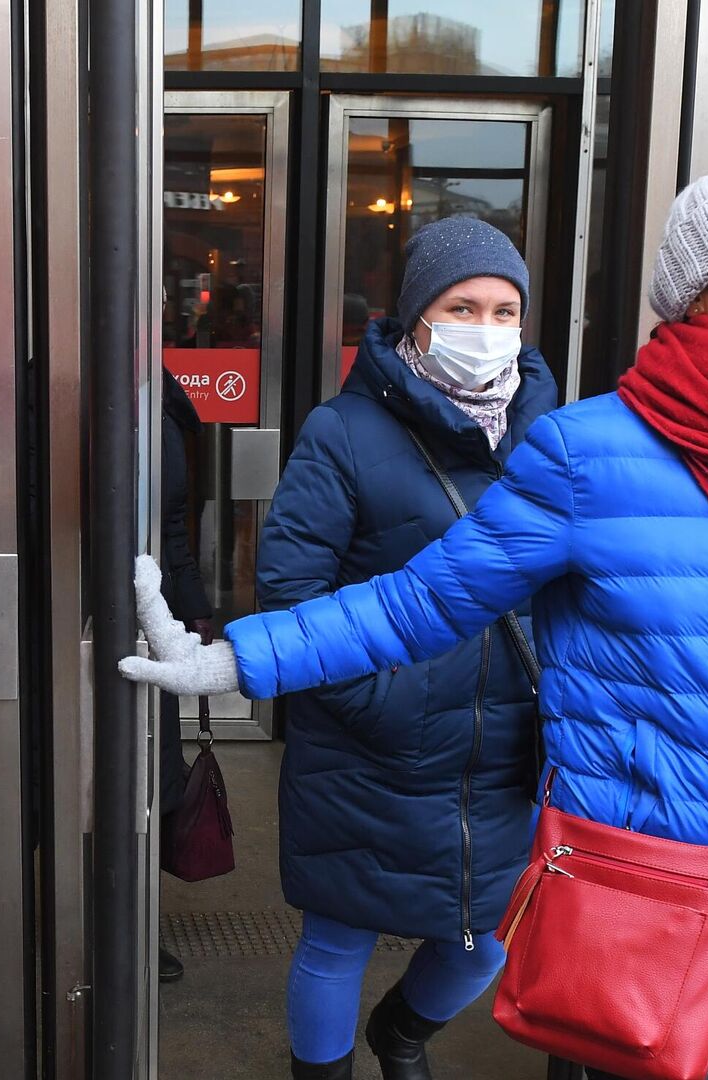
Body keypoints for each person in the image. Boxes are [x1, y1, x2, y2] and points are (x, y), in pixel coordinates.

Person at [122, 166, 708, 1080]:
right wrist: (238, 658)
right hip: (627, 876)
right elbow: (425, 598)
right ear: (699, 289)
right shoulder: (588, 451)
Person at [258, 216, 558, 1080]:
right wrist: (387, 706)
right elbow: (289, 599)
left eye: (506, 310)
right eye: (463, 306)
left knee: (483, 940)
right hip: (370, 745)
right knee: (337, 938)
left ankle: (402, 1035)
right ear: (415, 319)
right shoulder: (343, 432)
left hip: (505, 754)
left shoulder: (554, 436)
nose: (487, 328)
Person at [156, 367, 213, 984]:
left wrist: (194, 606)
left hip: (152, 615)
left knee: (152, 773)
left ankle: (129, 918)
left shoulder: (160, 402)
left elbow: (172, 521)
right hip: (62, 614)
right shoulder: (46, 394)